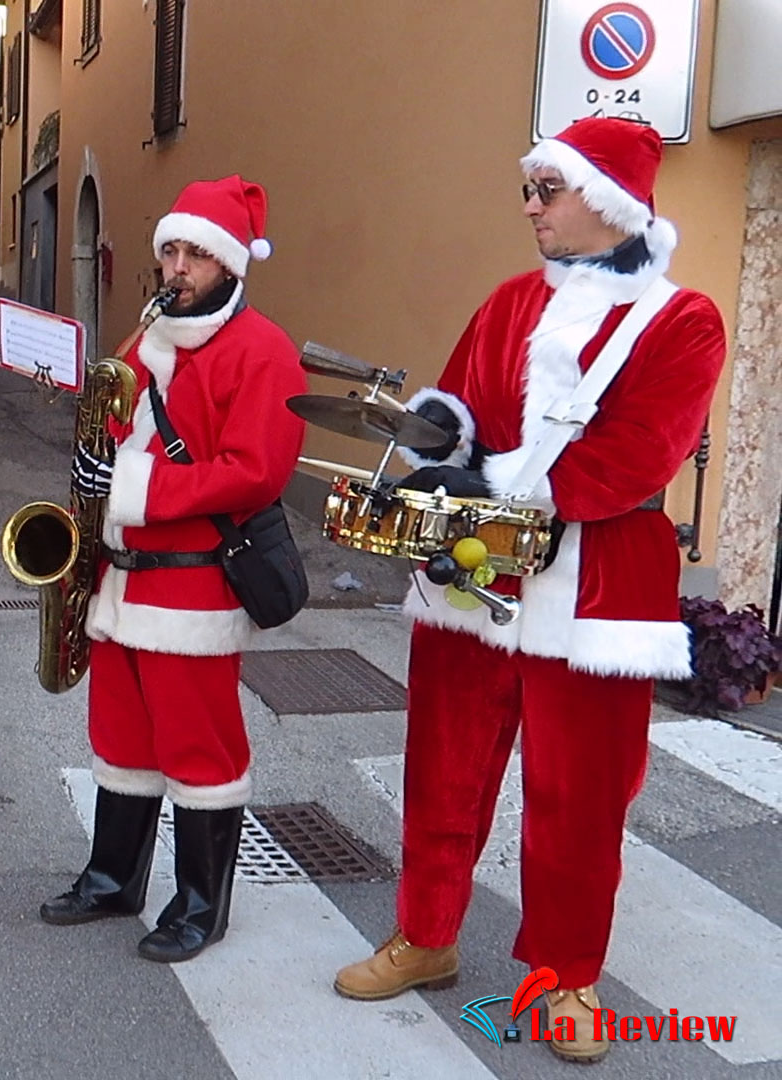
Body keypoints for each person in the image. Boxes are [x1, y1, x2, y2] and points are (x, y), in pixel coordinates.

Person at [331, 117, 726, 1064]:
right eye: (530, 189)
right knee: (443, 771)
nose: (530, 207)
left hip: (594, 594)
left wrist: (498, 495)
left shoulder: (686, 321)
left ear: (609, 200)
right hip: (473, 580)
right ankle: (426, 936)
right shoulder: (510, 301)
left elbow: (639, 457)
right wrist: (430, 454)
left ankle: (565, 978)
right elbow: (458, 403)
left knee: (578, 801)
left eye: (548, 189)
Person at [44, 176, 306, 964]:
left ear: (229, 264)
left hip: (193, 581)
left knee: (200, 749)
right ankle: (114, 878)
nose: (178, 269)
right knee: (120, 737)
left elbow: (254, 473)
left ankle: (200, 905)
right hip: (121, 575)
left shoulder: (264, 351)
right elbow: (119, 428)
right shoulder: (146, 340)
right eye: (171, 253)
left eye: (196, 255)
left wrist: (132, 486)